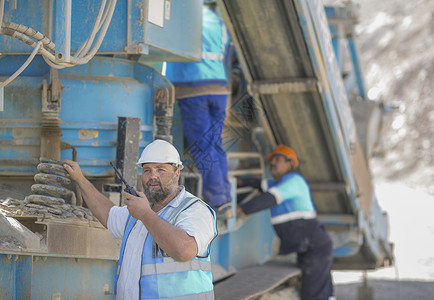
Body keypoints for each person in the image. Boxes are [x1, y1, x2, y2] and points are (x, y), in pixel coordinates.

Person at [63, 139, 217, 299]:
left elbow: (184, 250)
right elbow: (109, 215)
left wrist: (145, 214)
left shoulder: (194, 210)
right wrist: (80, 180)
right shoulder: (139, 210)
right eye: (147, 170)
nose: (153, 176)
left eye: (161, 169)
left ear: (177, 173)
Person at [236, 145, 335, 300]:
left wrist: (241, 209)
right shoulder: (278, 183)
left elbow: (269, 198)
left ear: (290, 163)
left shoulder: (294, 181)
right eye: (272, 160)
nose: (273, 163)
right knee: (322, 292)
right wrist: (240, 182)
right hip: (309, 248)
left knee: (313, 295)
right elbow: (258, 183)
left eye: (278, 159)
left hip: (315, 248)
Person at [165, 0, 233, 219]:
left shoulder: (184, 15)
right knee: (214, 144)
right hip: (218, 89)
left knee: (202, 147)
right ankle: (225, 197)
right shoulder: (219, 22)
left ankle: (217, 201)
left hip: (194, 87)